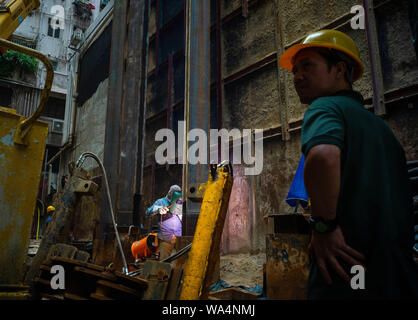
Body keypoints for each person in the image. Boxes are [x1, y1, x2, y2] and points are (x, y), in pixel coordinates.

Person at [279, 29, 418, 299]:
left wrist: (324, 228)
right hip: (395, 273)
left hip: (343, 265)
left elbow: (323, 157)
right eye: (295, 70)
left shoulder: (325, 107)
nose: (297, 77)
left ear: (339, 69)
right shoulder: (382, 129)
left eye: (307, 66)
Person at [145, 185, 183, 260]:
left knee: (179, 262)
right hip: (166, 238)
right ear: (170, 193)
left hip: (179, 239)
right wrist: (159, 210)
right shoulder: (161, 202)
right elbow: (148, 212)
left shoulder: (180, 203)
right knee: (165, 262)